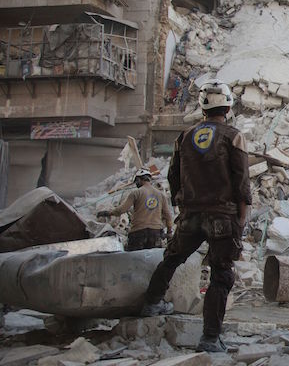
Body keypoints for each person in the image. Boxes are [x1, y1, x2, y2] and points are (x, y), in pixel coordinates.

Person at [139, 79, 251, 353]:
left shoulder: (184, 137)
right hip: (223, 217)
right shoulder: (233, 135)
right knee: (221, 274)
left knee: (172, 258)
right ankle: (210, 338)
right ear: (227, 105)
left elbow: (172, 176)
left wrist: (182, 204)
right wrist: (241, 218)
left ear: (202, 107)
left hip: (190, 214)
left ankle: (151, 302)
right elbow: (242, 183)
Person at [98, 169, 173, 251]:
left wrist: (108, 213)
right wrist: (169, 232)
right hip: (156, 233)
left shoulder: (136, 193)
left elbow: (121, 210)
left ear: (138, 180)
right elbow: (168, 215)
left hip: (138, 232)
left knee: (135, 259)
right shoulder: (160, 194)